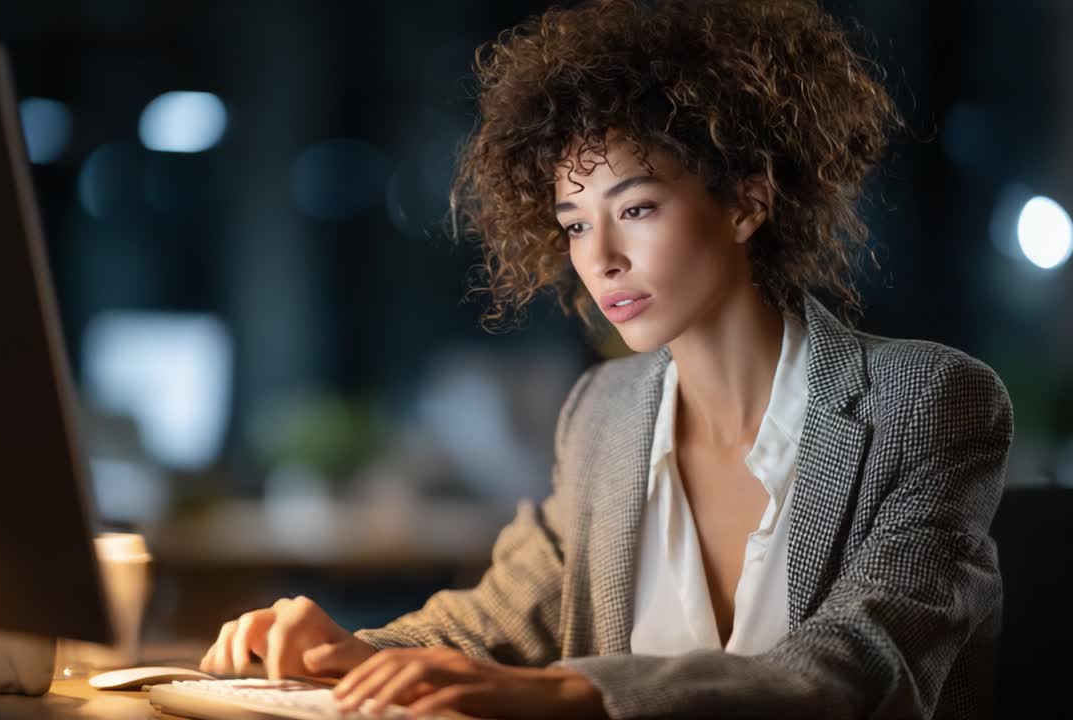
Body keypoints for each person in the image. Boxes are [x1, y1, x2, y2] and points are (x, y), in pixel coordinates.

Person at [201, 0, 1014, 717]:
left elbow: (857, 671)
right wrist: (352, 651)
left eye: (637, 207)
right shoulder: (604, 412)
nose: (602, 258)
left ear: (747, 202)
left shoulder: (930, 400)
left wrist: (575, 693)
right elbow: (500, 618)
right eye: (576, 222)